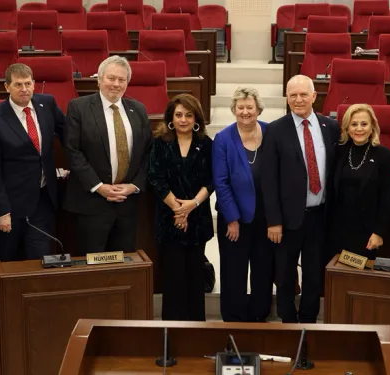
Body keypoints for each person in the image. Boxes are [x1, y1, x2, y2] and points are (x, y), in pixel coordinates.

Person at [261, 74, 340, 323]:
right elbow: (268, 179)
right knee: (284, 275)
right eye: (292, 95)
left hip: (320, 215)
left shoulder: (331, 127)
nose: (298, 99)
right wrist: (273, 220)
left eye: (303, 94)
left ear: (314, 96)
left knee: (314, 274)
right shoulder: (275, 129)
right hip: (287, 219)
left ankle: (308, 320)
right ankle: (287, 320)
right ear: (287, 97)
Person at [64, 56, 152, 254]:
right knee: (91, 266)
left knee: (123, 264)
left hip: (126, 204)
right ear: (99, 79)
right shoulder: (79, 107)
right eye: (111, 78)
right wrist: (99, 187)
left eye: (122, 80)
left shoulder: (138, 110)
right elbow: (72, 151)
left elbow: (147, 153)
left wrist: (134, 186)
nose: (116, 84)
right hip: (91, 203)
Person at [0, 63, 65, 261]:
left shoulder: (48, 104)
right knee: (9, 262)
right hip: (12, 205)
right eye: (18, 84)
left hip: (43, 200)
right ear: (6, 87)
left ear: (34, 84)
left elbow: (68, 135)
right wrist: (1, 211)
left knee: (41, 260)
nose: (24, 89)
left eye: (28, 83)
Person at [148, 94, 213, 321]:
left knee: (195, 277)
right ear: (170, 118)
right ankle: (172, 333)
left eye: (188, 115)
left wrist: (192, 205)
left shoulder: (206, 144)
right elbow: (155, 179)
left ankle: (197, 332)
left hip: (197, 219)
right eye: (178, 115)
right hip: (168, 220)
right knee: (173, 279)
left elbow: (211, 181)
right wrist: (178, 209)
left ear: (196, 118)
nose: (183, 119)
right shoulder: (159, 143)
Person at [212, 87, 273, 322]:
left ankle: (259, 315)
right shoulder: (223, 139)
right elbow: (221, 182)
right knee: (234, 271)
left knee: (263, 270)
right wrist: (232, 219)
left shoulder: (270, 132)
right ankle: (234, 317)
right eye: (240, 107)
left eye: (250, 107)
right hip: (234, 219)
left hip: (266, 218)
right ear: (234, 110)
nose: (245, 112)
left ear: (258, 108)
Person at [329, 104, 390, 260]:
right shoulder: (338, 151)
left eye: (364, 124)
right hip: (338, 229)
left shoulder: (386, 156)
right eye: (354, 124)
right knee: (337, 277)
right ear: (347, 128)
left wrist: (379, 232)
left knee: (361, 279)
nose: (359, 129)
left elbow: (388, 198)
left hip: (367, 232)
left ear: (372, 126)